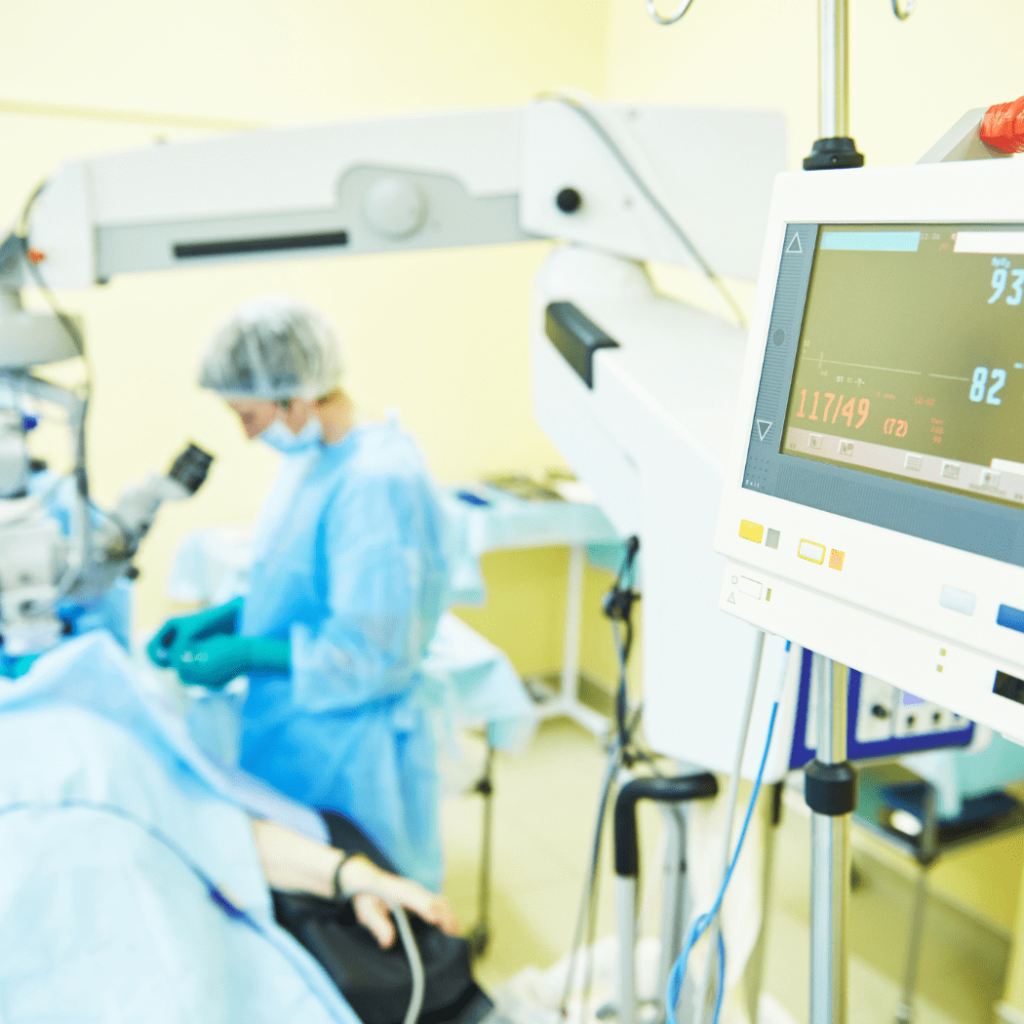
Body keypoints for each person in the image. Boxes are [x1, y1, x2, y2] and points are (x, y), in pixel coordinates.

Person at [149, 296, 449, 890]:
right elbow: (297, 583)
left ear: (295, 397)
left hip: (350, 748)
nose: (246, 434)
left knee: (365, 905)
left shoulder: (374, 482)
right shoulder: (315, 459)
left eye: (249, 416)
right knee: (309, 891)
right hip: (300, 724)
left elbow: (372, 653)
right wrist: (225, 619)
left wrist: (247, 654)